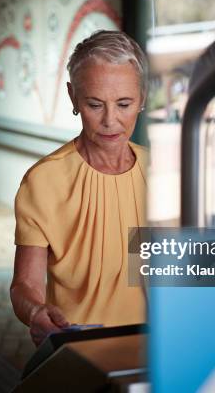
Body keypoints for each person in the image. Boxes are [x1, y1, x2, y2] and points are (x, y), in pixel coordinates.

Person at [10, 30, 148, 346]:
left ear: (141, 98)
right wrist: (36, 311)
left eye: (124, 103)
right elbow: (24, 285)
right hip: (76, 354)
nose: (110, 120)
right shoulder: (44, 181)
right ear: (73, 98)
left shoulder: (161, 173)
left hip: (152, 354)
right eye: (95, 104)